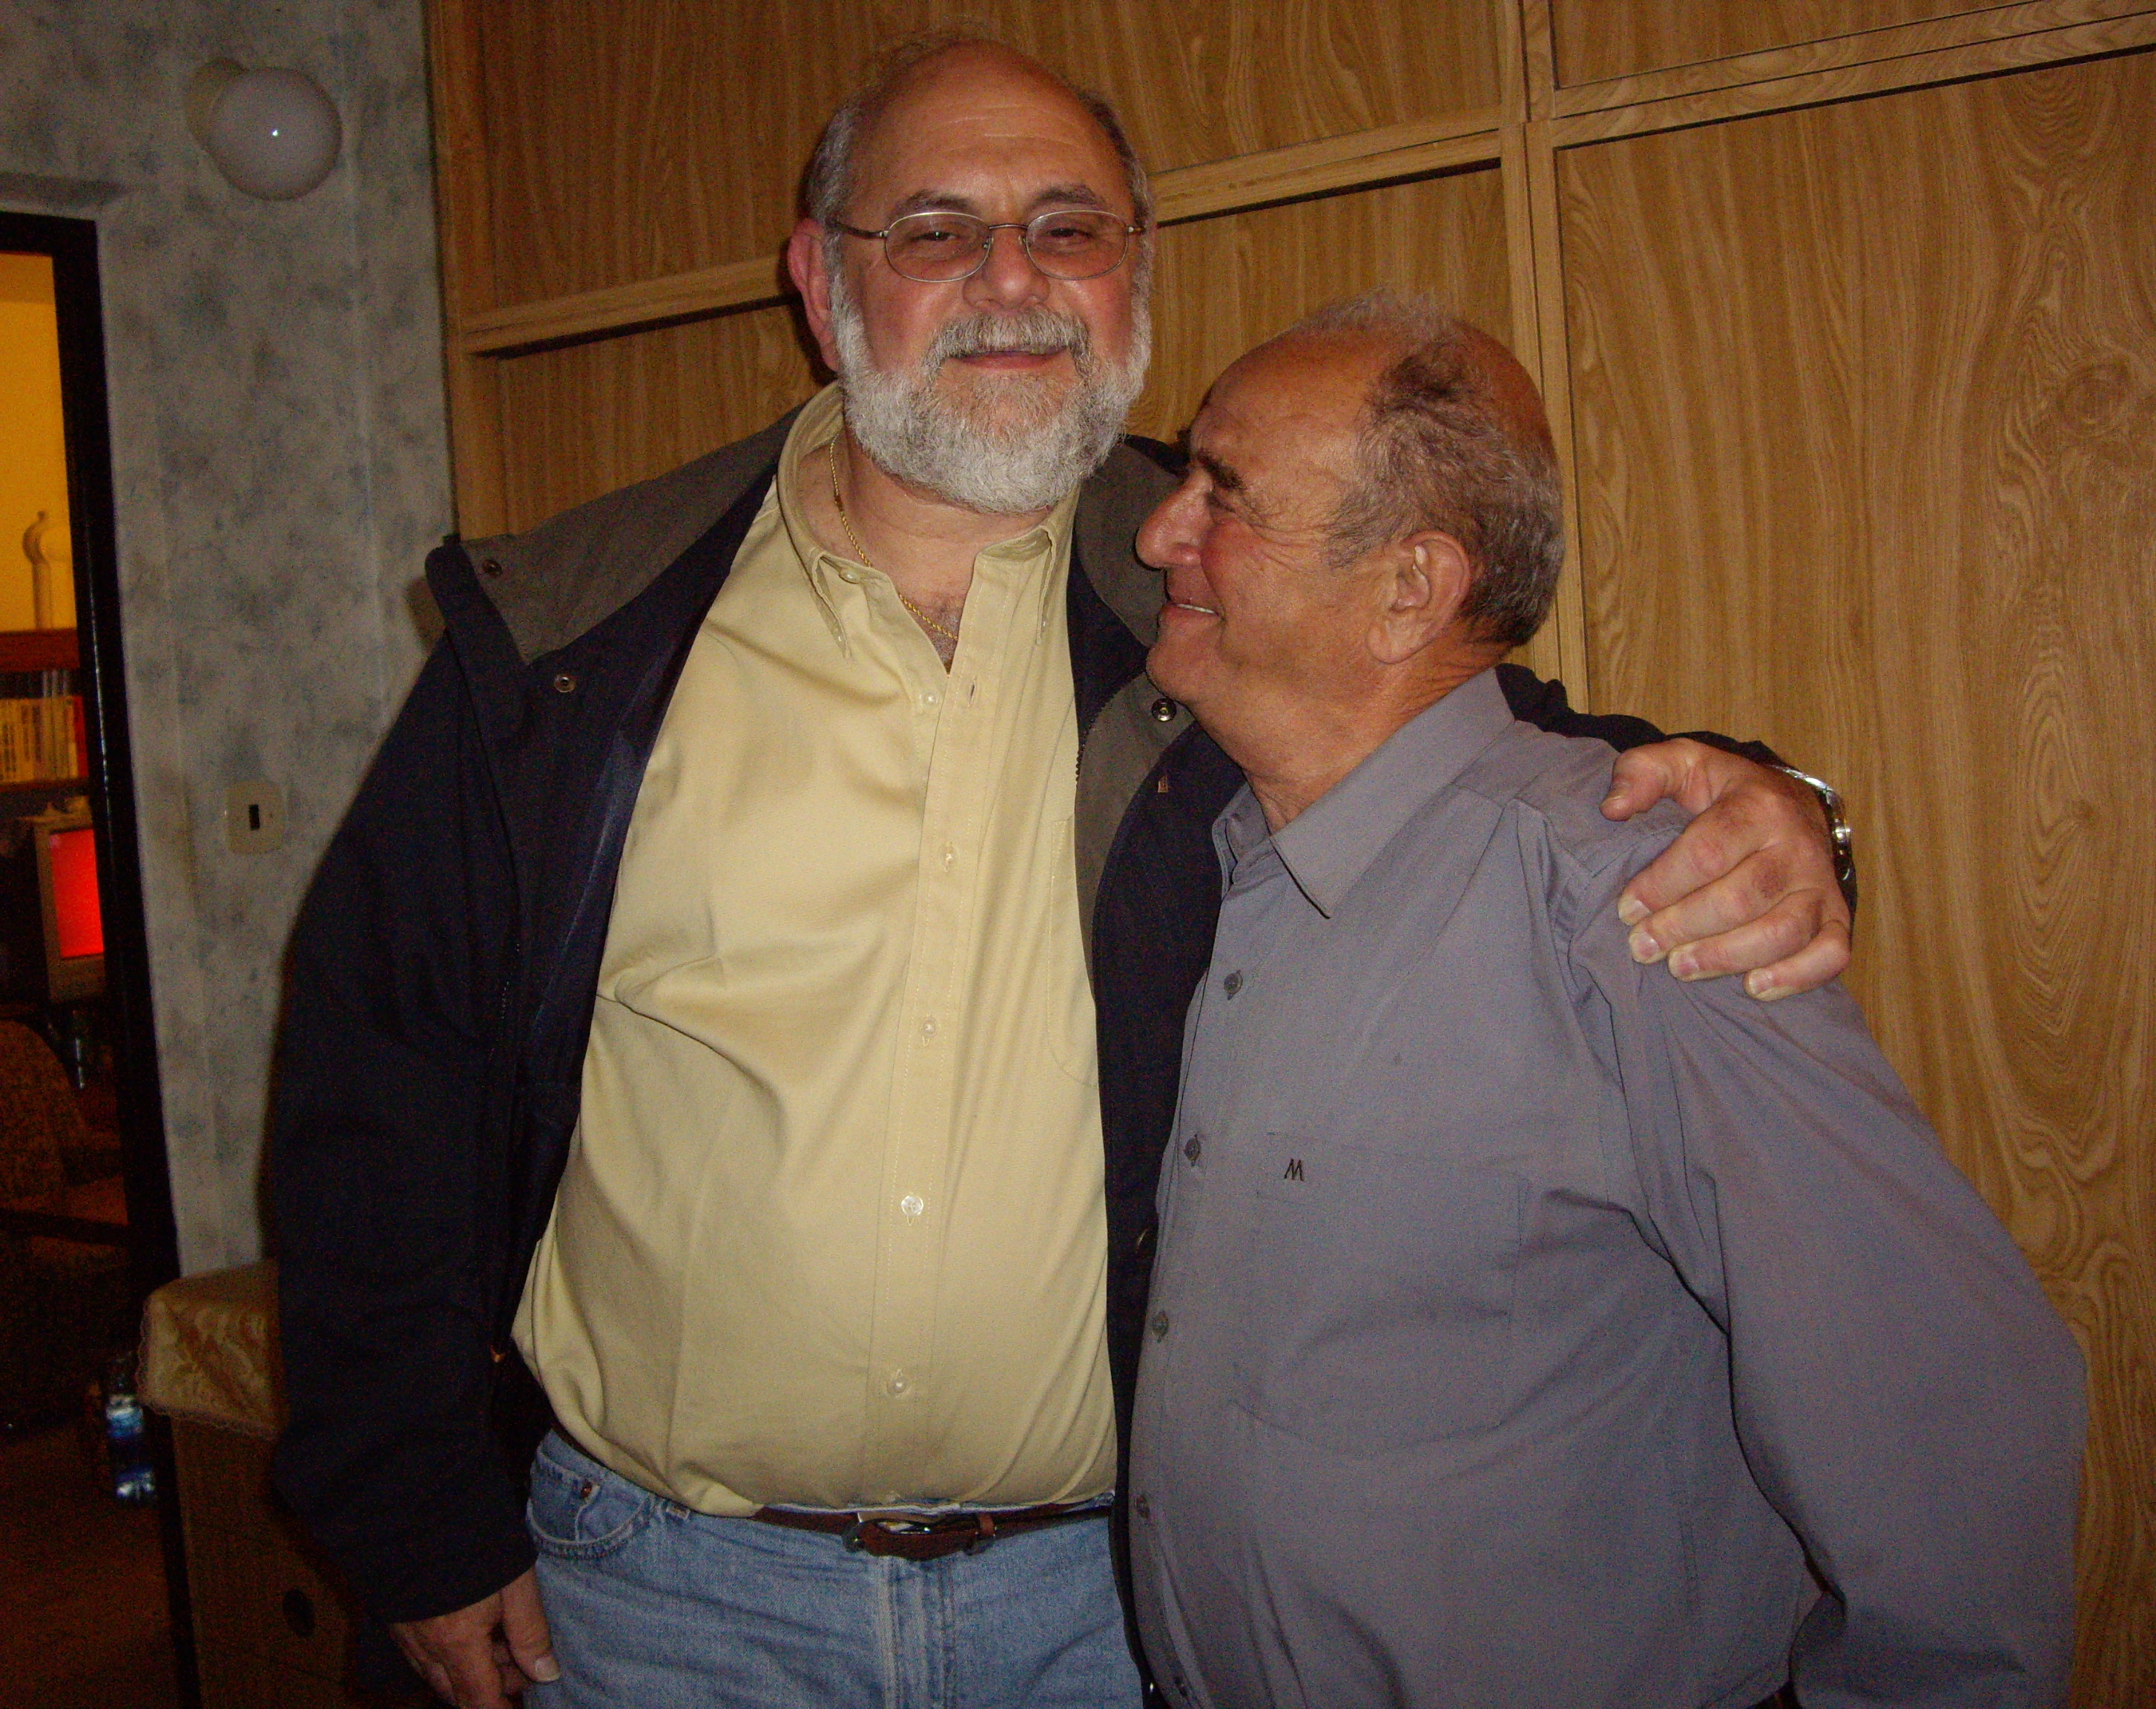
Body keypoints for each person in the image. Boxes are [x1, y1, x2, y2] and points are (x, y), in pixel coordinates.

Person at [267, 38, 1856, 1709]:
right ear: (821, 281)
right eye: (936, 230)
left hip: (1116, 1604)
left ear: (1134, 274)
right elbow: (381, 1085)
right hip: (662, 1604)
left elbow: (1504, 765)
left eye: (1070, 229)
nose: (1014, 280)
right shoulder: (577, 639)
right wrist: (414, 1515)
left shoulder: (1241, 590)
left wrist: (1765, 803)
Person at [1123, 292, 2085, 1708]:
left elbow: (1946, 1418)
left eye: (1225, 494)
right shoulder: (1232, 858)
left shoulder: (1635, 897)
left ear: (1410, 589)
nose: (1161, 532)